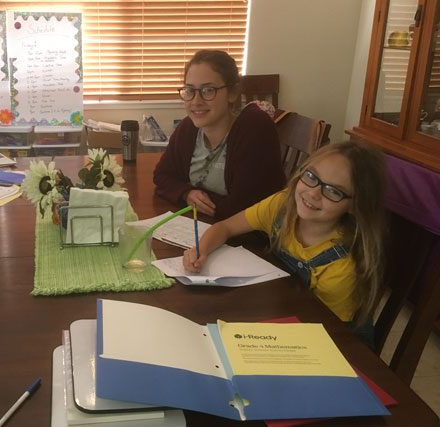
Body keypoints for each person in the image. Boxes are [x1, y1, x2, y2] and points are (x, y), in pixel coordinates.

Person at [183, 141, 387, 346]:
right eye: (311, 176)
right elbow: (226, 227)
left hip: (331, 341)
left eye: (333, 191)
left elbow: (329, 335)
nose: (313, 193)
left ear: (354, 205)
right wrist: (201, 250)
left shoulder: (343, 268)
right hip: (285, 313)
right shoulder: (282, 205)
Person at [153, 50, 286, 220]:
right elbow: (162, 175)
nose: (196, 101)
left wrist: (201, 201)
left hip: (251, 240)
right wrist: (187, 193)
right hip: (206, 226)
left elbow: (244, 209)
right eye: (189, 90)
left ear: (232, 93)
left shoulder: (255, 130)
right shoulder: (188, 128)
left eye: (208, 90)